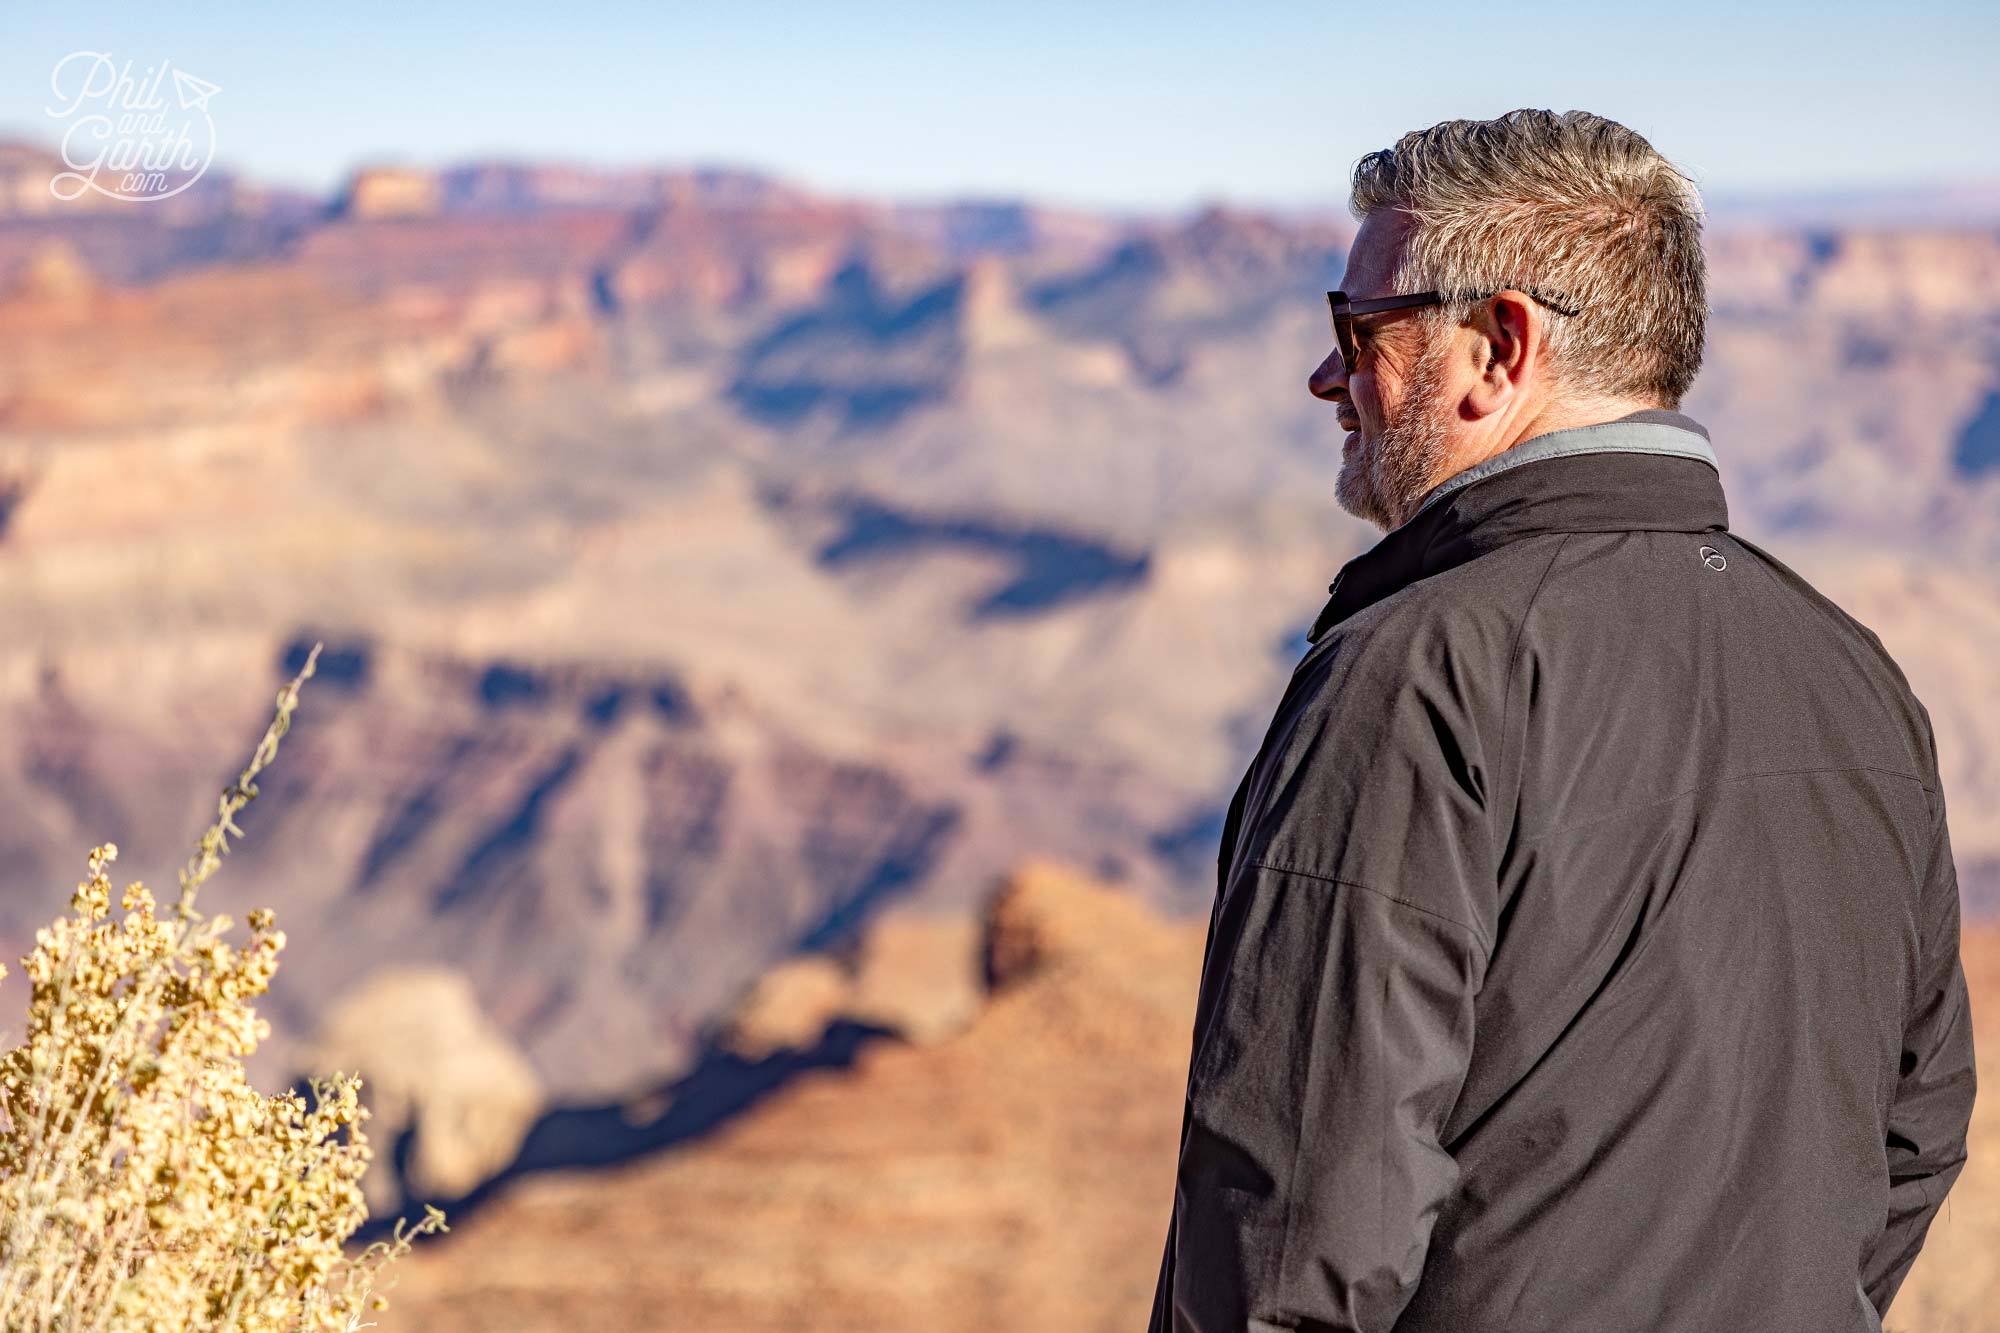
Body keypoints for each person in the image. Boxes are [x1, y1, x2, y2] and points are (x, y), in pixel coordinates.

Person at [1146, 108, 1976, 1332]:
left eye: (1359, 329)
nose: (1327, 375)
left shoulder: (1411, 676)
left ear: (1496, 345)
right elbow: (1912, 1134)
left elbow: (1290, 1235)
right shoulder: (1850, 671)